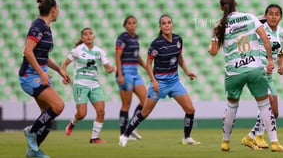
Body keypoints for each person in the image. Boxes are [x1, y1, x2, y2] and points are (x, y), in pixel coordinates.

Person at [208, 0, 283, 152]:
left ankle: (226, 142)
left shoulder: (219, 25)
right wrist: (270, 60)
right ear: (236, 3)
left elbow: (214, 51)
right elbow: (264, 38)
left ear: (221, 8)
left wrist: (211, 46)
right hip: (254, 68)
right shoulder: (249, 17)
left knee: (231, 106)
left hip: (234, 72)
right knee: (265, 106)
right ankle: (275, 143)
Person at [119, 14, 200, 147]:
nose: (167, 25)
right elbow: (148, 64)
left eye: (169, 22)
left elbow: (180, 58)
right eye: (164, 23)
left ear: (172, 25)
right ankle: (125, 135)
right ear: (160, 27)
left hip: (174, 82)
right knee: (144, 113)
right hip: (159, 83)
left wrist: (187, 71)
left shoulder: (178, 39)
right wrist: (154, 81)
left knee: (190, 109)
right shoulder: (156, 44)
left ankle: (187, 137)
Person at [19, 0, 70, 158]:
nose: (59, 11)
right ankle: (31, 131)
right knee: (58, 106)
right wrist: (41, 73)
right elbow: (27, 51)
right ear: (53, 10)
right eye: (58, 8)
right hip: (30, 76)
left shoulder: (46, 28)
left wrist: (59, 69)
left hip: (40, 75)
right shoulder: (38, 26)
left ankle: (32, 151)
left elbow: (42, 55)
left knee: (48, 116)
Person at [242, 4, 283, 150]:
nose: (273, 16)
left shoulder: (282, 33)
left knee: (274, 112)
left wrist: (281, 65)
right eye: (270, 14)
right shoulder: (260, 31)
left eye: (276, 14)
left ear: (280, 17)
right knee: (267, 107)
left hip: (269, 75)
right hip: (258, 72)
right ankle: (262, 138)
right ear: (266, 16)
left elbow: (280, 52)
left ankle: (250, 137)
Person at [61, 27, 116, 143]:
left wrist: (112, 69)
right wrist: (64, 75)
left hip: (95, 85)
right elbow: (65, 64)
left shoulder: (100, 52)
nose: (88, 36)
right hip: (80, 85)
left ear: (94, 36)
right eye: (85, 34)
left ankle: (94, 138)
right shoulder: (78, 50)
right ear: (82, 38)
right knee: (82, 114)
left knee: (101, 111)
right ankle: (72, 123)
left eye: (90, 33)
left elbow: (107, 68)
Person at [115, 16, 146, 140]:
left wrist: (147, 69)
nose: (132, 25)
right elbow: (117, 57)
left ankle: (131, 128)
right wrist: (121, 74)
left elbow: (137, 56)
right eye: (129, 23)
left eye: (134, 23)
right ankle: (123, 134)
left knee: (145, 101)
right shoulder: (122, 38)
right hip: (125, 72)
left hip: (135, 72)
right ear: (125, 25)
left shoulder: (136, 38)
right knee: (126, 104)